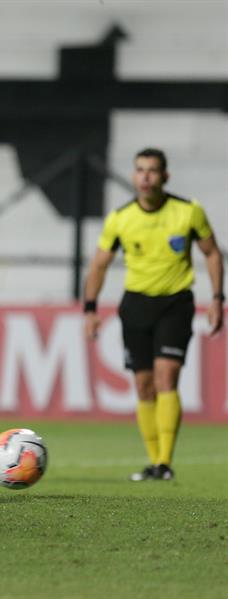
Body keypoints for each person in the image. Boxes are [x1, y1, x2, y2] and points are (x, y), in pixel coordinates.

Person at [84, 147, 224, 481]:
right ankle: (153, 463)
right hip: (136, 306)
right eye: (140, 170)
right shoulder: (120, 218)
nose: (145, 177)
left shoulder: (188, 212)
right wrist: (89, 309)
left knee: (166, 377)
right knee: (144, 386)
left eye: (152, 170)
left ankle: (164, 462)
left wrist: (218, 298)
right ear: (134, 176)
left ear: (165, 176)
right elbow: (99, 264)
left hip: (175, 303)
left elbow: (212, 253)